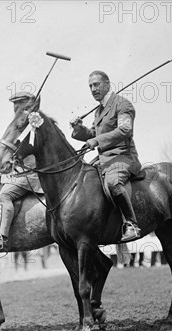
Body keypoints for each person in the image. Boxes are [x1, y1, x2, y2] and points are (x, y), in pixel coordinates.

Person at [70, 70, 142, 243]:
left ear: (108, 84)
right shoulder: (99, 111)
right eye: (90, 86)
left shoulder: (123, 105)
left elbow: (125, 130)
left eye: (96, 84)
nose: (93, 89)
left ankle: (131, 224)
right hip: (104, 160)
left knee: (112, 182)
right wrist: (79, 129)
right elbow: (93, 133)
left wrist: (97, 140)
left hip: (123, 157)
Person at [0, 92, 43, 251]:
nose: (15, 108)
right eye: (14, 105)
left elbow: (25, 158)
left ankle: (1, 237)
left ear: (27, 105)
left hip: (32, 174)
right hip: (22, 172)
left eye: (18, 104)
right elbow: (13, 159)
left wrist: (4, 172)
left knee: (5, 195)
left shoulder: (32, 126)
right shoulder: (20, 125)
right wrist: (0, 172)